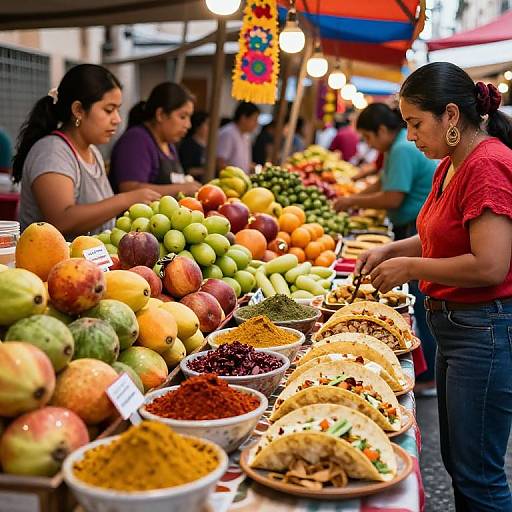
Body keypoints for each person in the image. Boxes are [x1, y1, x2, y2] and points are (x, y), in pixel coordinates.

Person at [357, 62, 512, 511]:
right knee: (460, 463)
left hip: (484, 331)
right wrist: (393, 249)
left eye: (415, 123)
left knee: (478, 476)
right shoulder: (452, 163)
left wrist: (408, 266)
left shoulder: (488, 165)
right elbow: (439, 231)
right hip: (456, 328)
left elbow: (489, 265)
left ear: (450, 115)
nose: (409, 136)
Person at [333, 102, 438, 391]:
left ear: (381, 130)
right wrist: (354, 194)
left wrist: (352, 201)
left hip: (416, 225)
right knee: (421, 300)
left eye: (367, 138)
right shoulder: (395, 150)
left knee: (421, 298)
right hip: (414, 226)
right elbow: (382, 182)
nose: (412, 134)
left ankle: (427, 377)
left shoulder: (402, 149)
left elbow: (392, 197)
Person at [13, 64, 159, 239]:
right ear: (78, 110)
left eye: (118, 110)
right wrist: (126, 199)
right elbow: (60, 220)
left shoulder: (93, 152)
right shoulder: (52, 152)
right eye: (108, 110)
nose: (117, 119)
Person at [109, 82, 201, 196]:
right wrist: (181, 189)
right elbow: (129, 188)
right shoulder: (136, 140)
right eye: (182, 117)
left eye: (189, 117)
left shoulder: (169, 145)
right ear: (161, 114)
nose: (188, 125)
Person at [216, 101, 260, 173]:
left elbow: (242, 162)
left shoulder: (246, 136)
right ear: (243, 118)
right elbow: (220, 162)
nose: (256, 124)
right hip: (229, 180)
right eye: (254, 120)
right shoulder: (228, 133)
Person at [178, 111, 209, 181]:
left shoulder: (211, 145)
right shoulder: (188, 145)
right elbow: (186, 169)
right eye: (207, 124)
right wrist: (204, 170)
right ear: (198, 126)